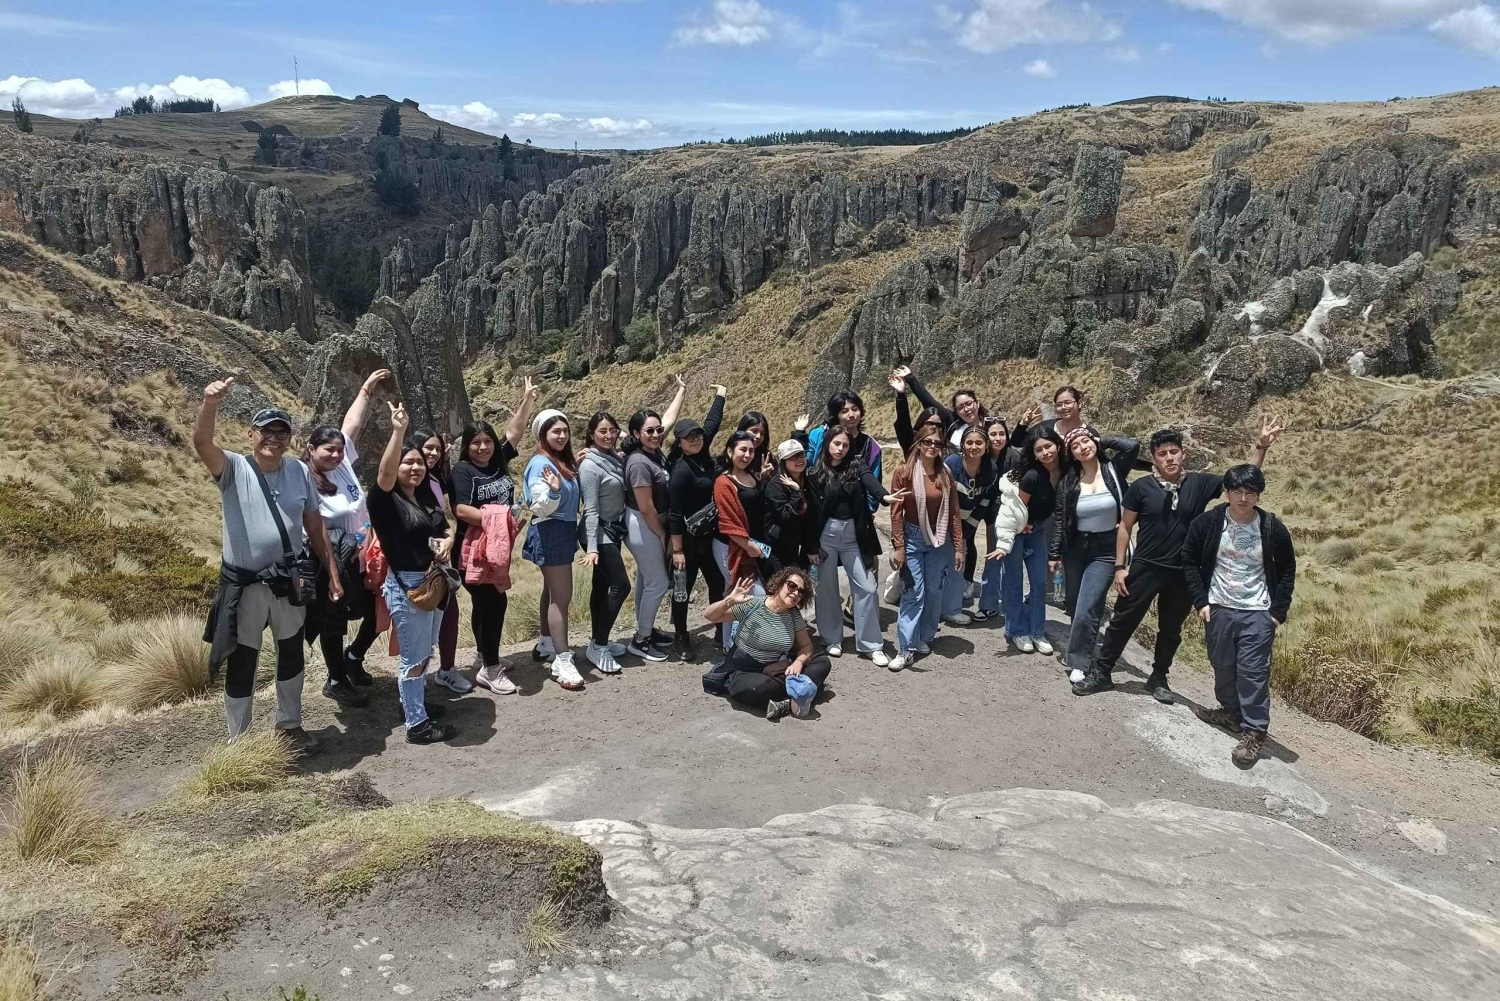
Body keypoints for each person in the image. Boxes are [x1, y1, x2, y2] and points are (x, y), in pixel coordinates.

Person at [1073, 415, 1284, 700]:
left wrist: (1261, 446)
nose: (1169, 458)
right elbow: (1124, 527)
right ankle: (1102, 672)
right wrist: (1120, 566)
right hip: (1146, 566)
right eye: (1162, 454)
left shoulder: (1199, 483)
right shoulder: (1141, 488)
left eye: (1174, 452)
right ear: (1154, 458)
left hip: (1184, 570)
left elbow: (1240, 478)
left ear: (1183, 454)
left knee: (1170, 629)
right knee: (1123, 620)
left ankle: (1158, 677)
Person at [198, 378, 338, 754]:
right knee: (243, 659)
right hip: (246, 586)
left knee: (291, 653)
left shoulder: (299, 472)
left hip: (288, 583)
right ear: (251, 435)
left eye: (282, 432)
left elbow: (313, 524)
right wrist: (210, 403)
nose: (274, 438)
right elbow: (202, 444)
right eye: (266, 431)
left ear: (290, 439)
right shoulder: (232, 468)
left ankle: (289, 726)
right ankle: (239, 744)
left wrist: (332, 571)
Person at [1182, 464, 1297, 768]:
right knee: (1222, 664)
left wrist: (1276, 613)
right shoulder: (1208, 523)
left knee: (1253, 671)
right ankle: (1231, 713)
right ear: (1228, 492)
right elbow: (1190, 560)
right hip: (1219, 606)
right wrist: (1201, 601)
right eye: (1238, 491)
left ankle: (1254, 730)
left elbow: (1287, 571)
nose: (1244, 498)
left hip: (1258, 611)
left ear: (1258, 495)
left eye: (1251, 493)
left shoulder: (1272, 528)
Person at [368, 402, 458, 744]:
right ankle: (417, 726)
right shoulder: (384, 501)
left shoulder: (424, 500)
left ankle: (413, 705)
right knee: (415, 656)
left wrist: (447, 542)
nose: (415, 468)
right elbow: (385, 475)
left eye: (419, 462)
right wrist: (399, 432)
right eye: (409, 462)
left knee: (426, 648)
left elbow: (445, 528)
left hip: (432, 584)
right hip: (409, 587)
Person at [300, 367, 390, 708]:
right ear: (311, 450)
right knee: (333, 621)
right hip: (331, 561)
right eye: (328, 451)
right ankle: (336, 678)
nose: (336, 455)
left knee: (377, 610)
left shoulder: (343, 465)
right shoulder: (303, 480)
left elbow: (351, 422)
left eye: (339, 450)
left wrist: (365, 388)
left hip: (365, 556)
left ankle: (354, 658)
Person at [451, 378, 538, 695]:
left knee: (484, 605)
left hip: (495, 548)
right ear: (467, 445)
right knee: (494, 604)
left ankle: (482, 655)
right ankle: (490, 669)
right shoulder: (462, 471)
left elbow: (514, 432)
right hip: (471, 551)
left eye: (487, 441)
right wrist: (500, 517)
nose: (483, 447)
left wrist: (526, 398)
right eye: (476, 443)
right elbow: (460, 509)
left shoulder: (498, 461)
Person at [1050, 426, 1139, 684]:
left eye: (1086, 441)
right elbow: (1060, 519)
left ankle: (1078, 660)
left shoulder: (1113, 470)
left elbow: (1131, 446)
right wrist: (1054, 553)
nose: (1082, 447)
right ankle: (1083, 642)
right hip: (1076, 547)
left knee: (1089, 605)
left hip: (1105, 548)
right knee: (1076, 603)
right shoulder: (1069, 480)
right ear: (1072, 454)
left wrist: (1101, 439)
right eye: (1076, 446)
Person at [810, 425, 905, 665]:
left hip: (854, 536)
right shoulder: (816, 472)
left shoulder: (856, 466)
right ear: (828, 443)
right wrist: (811, 545)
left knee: (867, 588)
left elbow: (870, 480)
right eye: (836, 444)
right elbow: (810, 513)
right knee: (827, 588)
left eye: (845, 445)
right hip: (826, 537)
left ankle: (871, 644)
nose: (840, 449)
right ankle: (832, 639)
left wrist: (884, 496)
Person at [701, 569, 833, 721]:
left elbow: (806, 646)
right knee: (759, 688)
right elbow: (709, 616)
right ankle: (803, 692)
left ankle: (788, 701)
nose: (796, 593)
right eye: (791, 586)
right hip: (744, 669)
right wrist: (728, 600)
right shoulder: (752, 604)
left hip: (776, 668)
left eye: (801, 591)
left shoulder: (794, 615)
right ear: (778, 584)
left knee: (823, 662)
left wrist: (798, 663)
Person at [622, 377, 687, 660]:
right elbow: (646, 506)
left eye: (659, 430)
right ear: (636, 434)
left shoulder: (653, 449)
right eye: (650, 431)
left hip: (648, 521)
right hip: (643, 523)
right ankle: (641, 640)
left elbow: (669, 419)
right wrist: (662, 534)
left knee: (647, 581)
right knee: (659, 582)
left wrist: (682, 390)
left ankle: (644, 629)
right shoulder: (639, 462)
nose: (657, 434)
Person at [888, 429, 964, 671]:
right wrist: (899, 546)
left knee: (933, 590)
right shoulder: (904, 472)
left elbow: (953, 511)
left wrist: (959, 547)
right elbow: (896, 512)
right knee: (913, 592)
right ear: (919, 444)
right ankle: (905, 648)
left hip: (939, 540)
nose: (932, 446)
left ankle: (926, 636)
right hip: (911, 537)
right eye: (927, 442)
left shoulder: (946, 474)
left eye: (937, 443)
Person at [523, 408, 585, 691]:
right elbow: (539, 505)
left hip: (559, 531)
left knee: (551, 591)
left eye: (564, 431)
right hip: (551, 531)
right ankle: (562, 658)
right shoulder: (541, 463)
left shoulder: (557, 461)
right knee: (562, 597)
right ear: (542, 435)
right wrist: (557, 491)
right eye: (555, 431)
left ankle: (547, 643)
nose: (562, 435)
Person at [667, 385, 728, 660]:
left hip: (709, 537)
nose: (695, 439)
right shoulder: (681, 471)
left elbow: (712, 423)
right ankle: (681, 637)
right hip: (687, 543)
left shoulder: (703, 455)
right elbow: (675, 514)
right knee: (682, 589)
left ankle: (720, 630)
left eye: (697, 436)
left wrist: (721, 396)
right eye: (688, 437)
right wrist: (677, 551)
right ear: (679, 441)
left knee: (716, 583)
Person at [578, 413, 633, 674]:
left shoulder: (613, 457)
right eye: (602, 431)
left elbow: (630, 440)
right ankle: (599, 645)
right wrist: (591, 548)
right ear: (591, 434)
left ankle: (596, 639)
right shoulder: (590, 465)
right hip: (597, 532)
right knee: (621, 586)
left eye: (613, 430)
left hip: (612, 529)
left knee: (600, 586)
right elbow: (589, 510)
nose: (609, 435)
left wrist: (619, 435)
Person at [1003, 429, 1063, 655]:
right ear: (1034, 454)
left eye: (1048, 446)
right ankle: (1017, 630)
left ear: (1058, 445)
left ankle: (1037, 631)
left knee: (1039, 582)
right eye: (1039, 449)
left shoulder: (1066, 471)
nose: (1045, 452)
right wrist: (1020, 527)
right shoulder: (1032, 476)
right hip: (1018, 530)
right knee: (1014, 581)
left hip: (1037, 531)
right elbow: (1017, 508)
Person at [713, 431, 771, 651]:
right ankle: (737, 645)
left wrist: (763, 478)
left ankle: (731, 644)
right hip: (730, 547)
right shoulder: (723, 482)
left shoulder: (752, 477)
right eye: (742, 450)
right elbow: (728, 522)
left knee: (735, 594)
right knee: (753, 594)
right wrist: (748, 546)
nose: (747, 455)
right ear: (730, 451)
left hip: (750, 545)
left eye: (751, 450)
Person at [940, 425, 999, 627]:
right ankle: (929, 608)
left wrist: (968, 530)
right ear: (963, 445)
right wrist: (953, 529)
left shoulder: (991, 468)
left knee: (958, 567)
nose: (974, 447)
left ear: (986, 445)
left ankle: (951, 609)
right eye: (970, 442)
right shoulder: (952, 463)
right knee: (937, 567)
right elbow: (944, 499)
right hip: (942, 522)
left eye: (979, 443)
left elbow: (985, 501)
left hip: (966, 524)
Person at [892, 364, 986, 448]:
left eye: (969, 403)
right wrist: (910, 378)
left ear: (977, 403)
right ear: (956, 411)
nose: (966, 409)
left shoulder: (991, 425)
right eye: (960, 407)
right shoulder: (952, 423)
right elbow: (928, 401)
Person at [801, 392, 884, 481]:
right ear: (836, 415)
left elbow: (874, 481)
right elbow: (802, 464)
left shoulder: (870, 445)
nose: (851, 415)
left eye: (855, 409)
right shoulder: (819, 436)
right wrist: (799, 434)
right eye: (844, 411)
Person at [763, 439, 817, 572]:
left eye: (801, 455)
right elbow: (786, 516)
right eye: (793, 457)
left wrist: (811, 547)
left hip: (796, 543)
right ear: (783, 461)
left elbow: (810, 517)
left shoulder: (808, 481)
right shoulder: (775, 486)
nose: (799, 460)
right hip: (776, 547)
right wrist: (796, 492)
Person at [735, 411, 775, 481]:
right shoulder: (732, 457)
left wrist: (768, 476)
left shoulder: (766, 457)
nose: (758, 436)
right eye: (754, 431)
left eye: (762, 433)